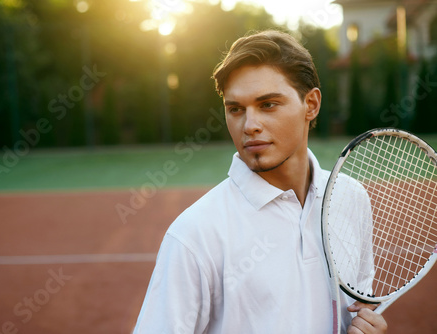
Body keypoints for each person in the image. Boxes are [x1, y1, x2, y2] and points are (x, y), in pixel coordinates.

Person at [133, 30, 388, 334]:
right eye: (235, 109)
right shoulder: (195, 234)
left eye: (268, 105)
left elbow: (357, 307)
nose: (249, 125)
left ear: (311, 104)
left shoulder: (350, 196)